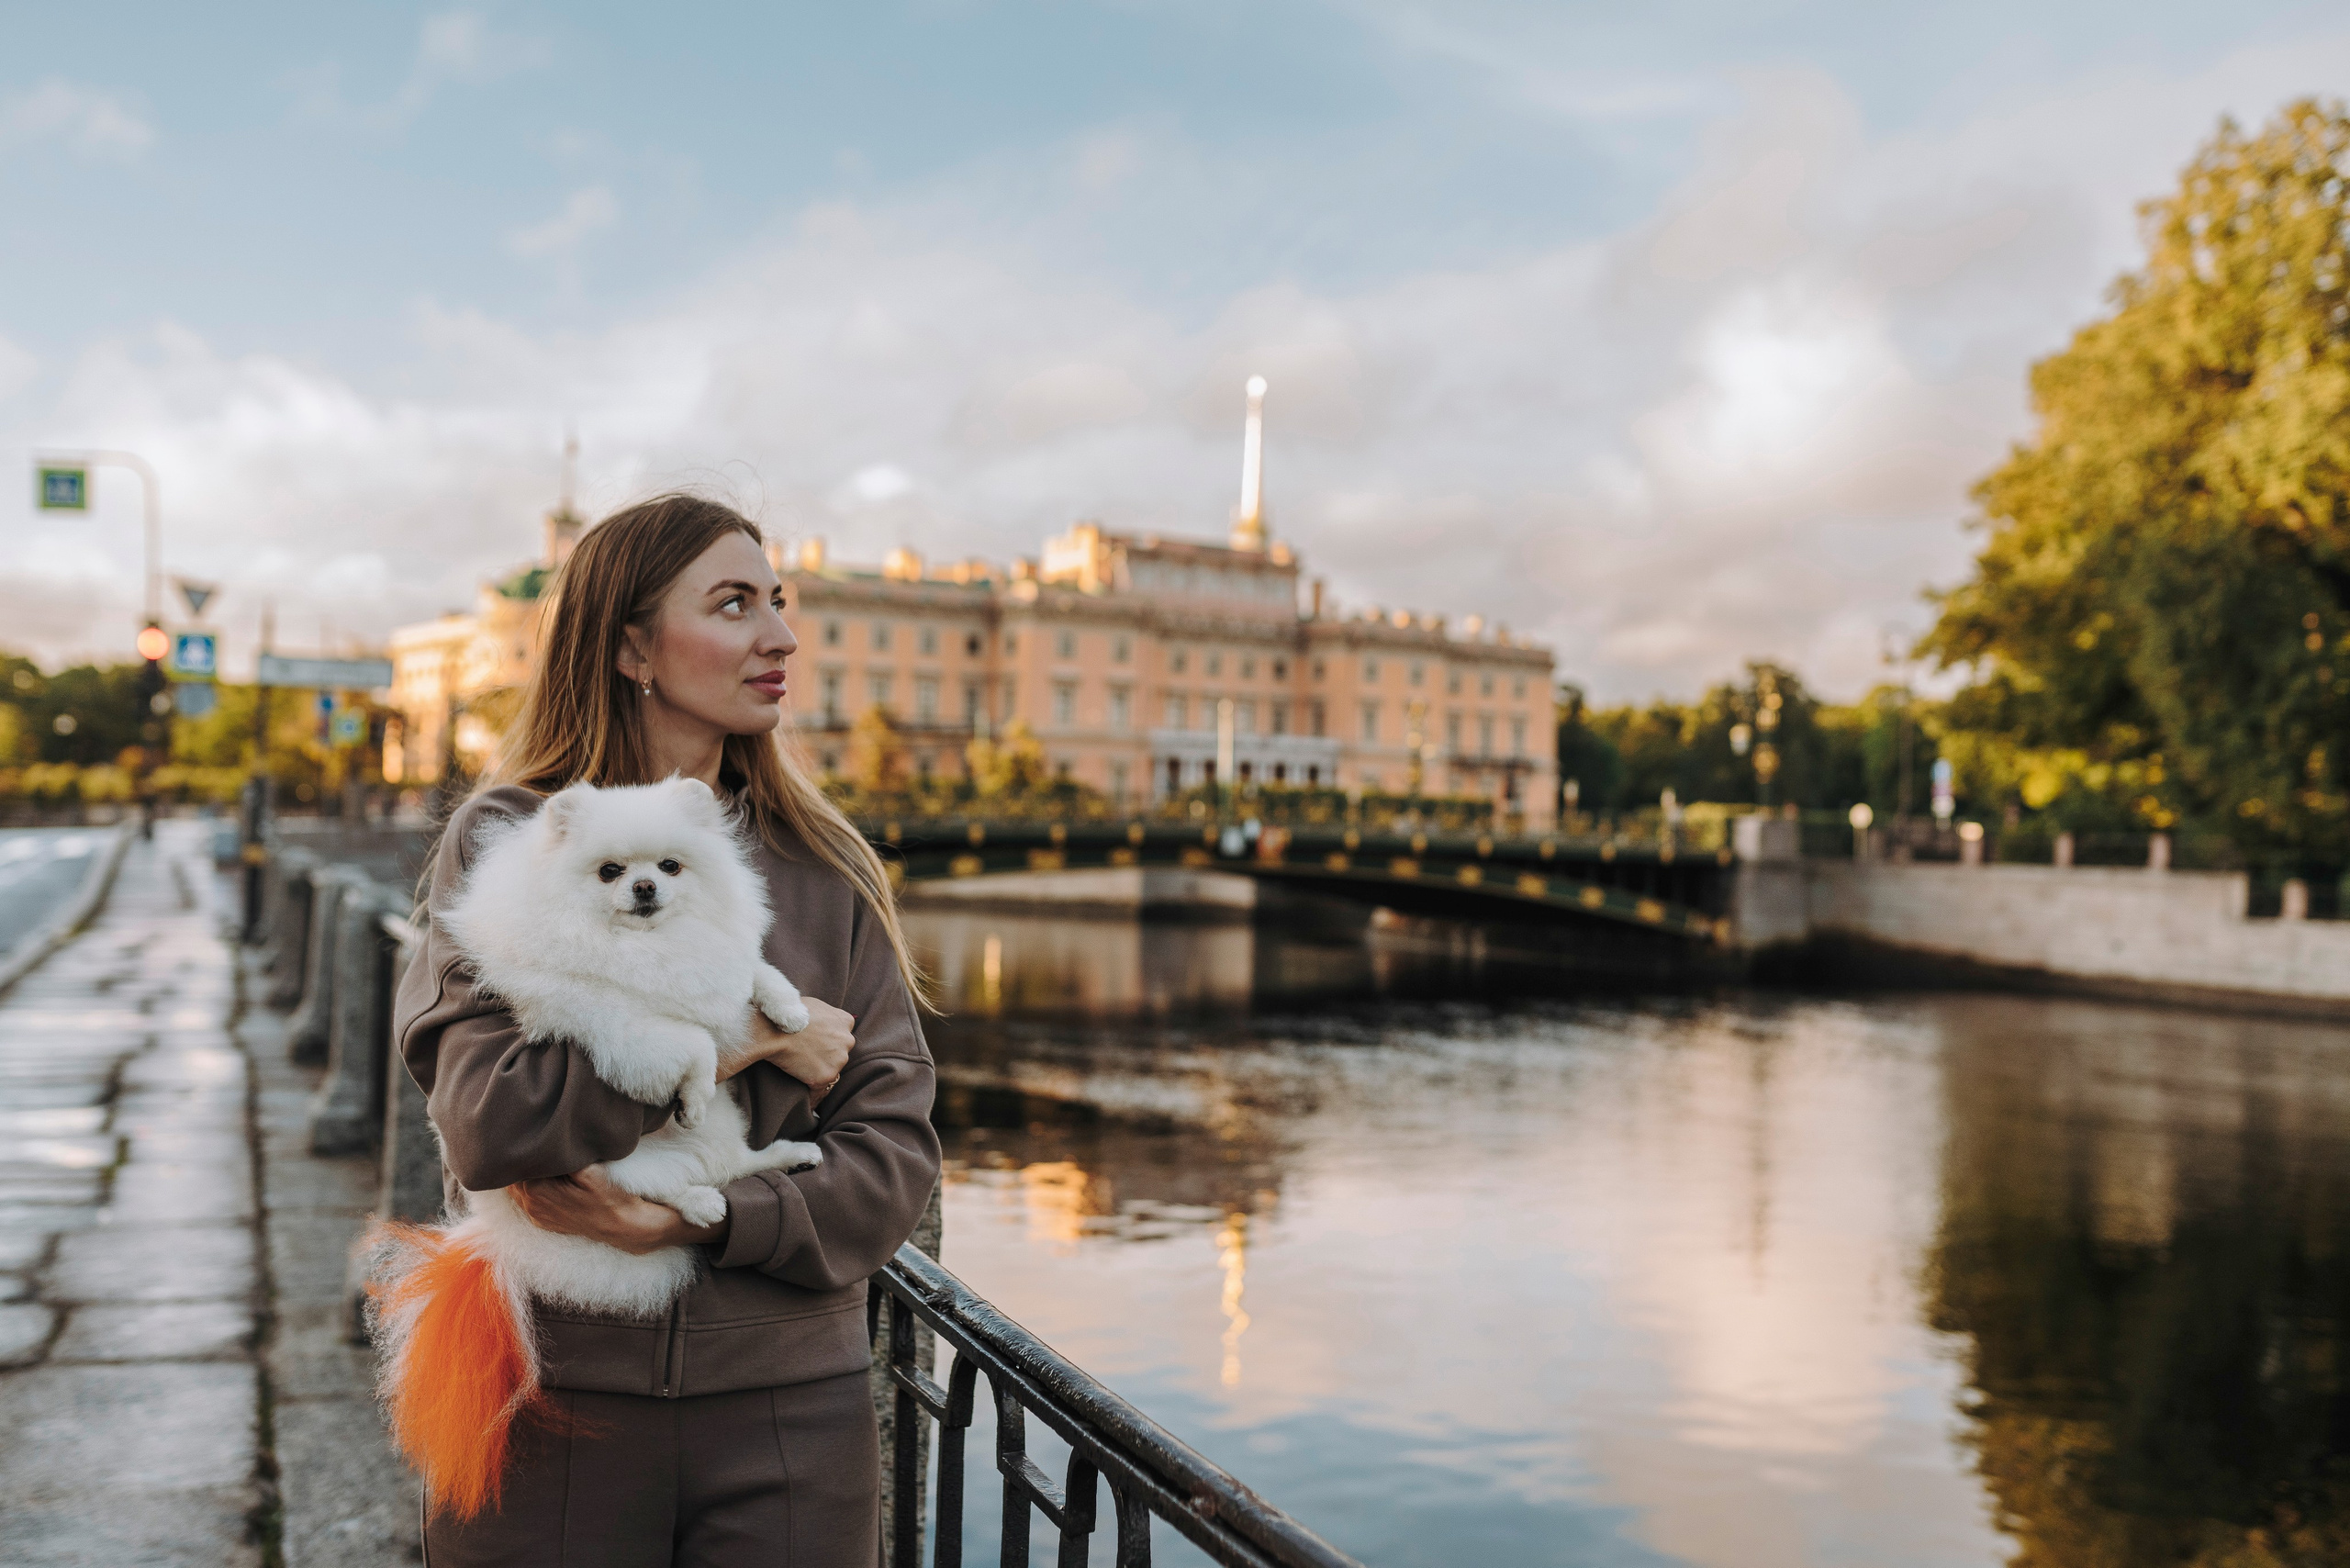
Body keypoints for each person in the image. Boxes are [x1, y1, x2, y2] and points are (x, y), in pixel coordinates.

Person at [391, 494, 940, 1566]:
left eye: (777, 603)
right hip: (547, 1396)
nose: (778, 636)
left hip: (789, 1418)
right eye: (734, 605)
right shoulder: (514, 838)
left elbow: (893, 1167)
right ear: (633, 646)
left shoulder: (827, 876)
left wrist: (699, 1220)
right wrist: (736, 1038)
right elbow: (490, 1122)